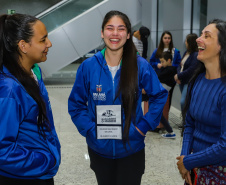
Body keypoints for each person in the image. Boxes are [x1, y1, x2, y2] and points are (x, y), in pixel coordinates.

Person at [68, 10, 168, 185]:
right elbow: (76, 104)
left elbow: (159, 95)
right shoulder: (88, 67)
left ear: (128, 34)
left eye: (121, 29)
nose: (115, 33)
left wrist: (142, 127)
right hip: (99, 150)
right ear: (102, 33)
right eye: (110, 28)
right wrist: (91, 130)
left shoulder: (140, 65)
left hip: (132, 149)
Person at [0, 14, 61, 185]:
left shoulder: (34, 73)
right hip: (22, 176)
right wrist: (44, 161)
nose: (49, 44)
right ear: (23, 46)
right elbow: (2, 149)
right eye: (43, 40)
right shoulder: (9, 89)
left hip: (38, 173)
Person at [176, 19, 226, 185]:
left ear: (221, 46)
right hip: (194, 168)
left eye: (207, 36)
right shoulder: (197, 80)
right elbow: (190, 124)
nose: (198, 39)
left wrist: (189, 162)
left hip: (219, 173)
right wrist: (185, 157)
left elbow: (225, 145)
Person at [174, 33, 199, 114]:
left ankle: (186, 122)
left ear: (190, 42)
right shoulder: (186, 52)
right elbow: (180, 65)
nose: (185, 42)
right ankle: (185, 122)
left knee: (183, 102)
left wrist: (178, 75)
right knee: (186, 102)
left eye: (186, 41)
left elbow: (191, 69)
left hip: (188, 81)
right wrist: (178, 76)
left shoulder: (195, 54)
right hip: (182, 81)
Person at [157, 51, 177, 138]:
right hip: (160, 93)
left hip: (160, 93)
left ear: (169, 60)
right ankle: (169, 131)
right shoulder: (168, 69)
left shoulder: (171, 70)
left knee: (158, 112)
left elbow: (158, 76)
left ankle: (170, 131)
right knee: (157, 112)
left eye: (162, 61)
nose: (161, 64)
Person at [132, 26, 151, 114]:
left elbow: (144, 56)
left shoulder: (144, 41)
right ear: (138, 32)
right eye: (142, 37)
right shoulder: (129, 39)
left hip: (139, 70)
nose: (142, 40)